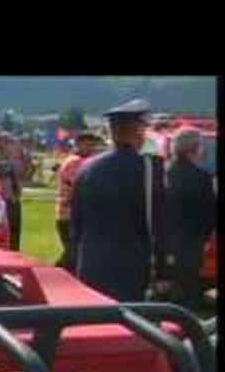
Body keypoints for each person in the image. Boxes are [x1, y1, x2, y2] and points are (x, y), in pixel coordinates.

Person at [70, 99, 169, 301]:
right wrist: (163, 270)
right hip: (130, 267)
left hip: (91, 263)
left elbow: (76, 226)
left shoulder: (86, 168)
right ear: (139, 131)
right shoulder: (150, 168)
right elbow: (157, 223)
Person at [166, 128, 216, 310]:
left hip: (167, 241)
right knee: (188, 287)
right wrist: (205, 238)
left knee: (173, 285)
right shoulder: (202, 177)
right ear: (194, 149)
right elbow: (210, 212)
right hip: (192, 241)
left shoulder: (164, 174)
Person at [54, 130, 102, 271]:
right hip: (69, 215)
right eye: (90, 144)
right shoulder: (75, 162)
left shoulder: (81, 161)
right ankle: (52, 277)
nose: (93, 148)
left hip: (73, 214)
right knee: (73, 256)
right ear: (80, 144)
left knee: (73, 255)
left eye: (94, 144)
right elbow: (81, 188)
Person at [0, 132, 27, 251]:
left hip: (13, 200)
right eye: (6, 143)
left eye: (9, 143)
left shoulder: (18, 160)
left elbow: (25, 172)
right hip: (0, 201)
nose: (9, 146)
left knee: (14, 234)